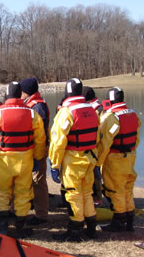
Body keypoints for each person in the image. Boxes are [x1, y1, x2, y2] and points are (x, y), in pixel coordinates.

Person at [0, 81, 46, 238]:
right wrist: (38, 158)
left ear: (7, 94)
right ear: (19, 94)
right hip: (25, 159)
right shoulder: (32, 113)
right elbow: (40, 139)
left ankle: (3, 225)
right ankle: (20, 226)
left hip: (4, 160)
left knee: (2, 191)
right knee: (23, 192)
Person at [49, 78, 99, 242]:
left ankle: (75, 231)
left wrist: (54, 164)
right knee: (87, 193)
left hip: (73, 160)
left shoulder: (67, 111)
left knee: (73, 194)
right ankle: (91, 227)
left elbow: (58, 141)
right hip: (89, 158)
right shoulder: (91, 109)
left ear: (67, 91)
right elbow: (97, 136)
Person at [97, 87, 141, 232]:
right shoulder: (133, 114)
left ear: (109, 100)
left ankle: (119, 220)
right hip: (130, 157)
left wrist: (98, 162)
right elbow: (137, 138)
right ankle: (129, 220)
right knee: (127, 189)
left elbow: (105, 143)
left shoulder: (111, 117)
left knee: (115, 190)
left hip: (115, 159)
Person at [20, 78, 50, 226]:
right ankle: (34, 207)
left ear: (26, 92)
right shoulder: (33, 104)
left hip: (38, 149)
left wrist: (39, 153)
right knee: (31, 180)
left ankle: (42, 215)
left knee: (38, 181)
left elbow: (41, 132)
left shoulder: (38, 107)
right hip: (31, 149)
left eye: (22, 91)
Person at [82, 86, 103, 206]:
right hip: (91, 147)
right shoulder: (93, 108)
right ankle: (91, 197)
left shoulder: (98, 109)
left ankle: (97, 198)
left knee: (95, 174)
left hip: (95, 148)